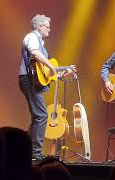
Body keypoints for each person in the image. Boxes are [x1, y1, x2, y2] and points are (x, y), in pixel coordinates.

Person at [19, 14, 73, 160]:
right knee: (42, 115)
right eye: (47, 27)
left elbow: (46, 73)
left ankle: (26, 150)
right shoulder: (31, 38)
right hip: (28, 80)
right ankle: (35, 154)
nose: (50, 30)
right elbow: (35, 54)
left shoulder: (42, 44)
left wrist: (60, 75)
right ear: (39, 26)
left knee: (37, 117)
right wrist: (51, 66)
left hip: (34, 82)